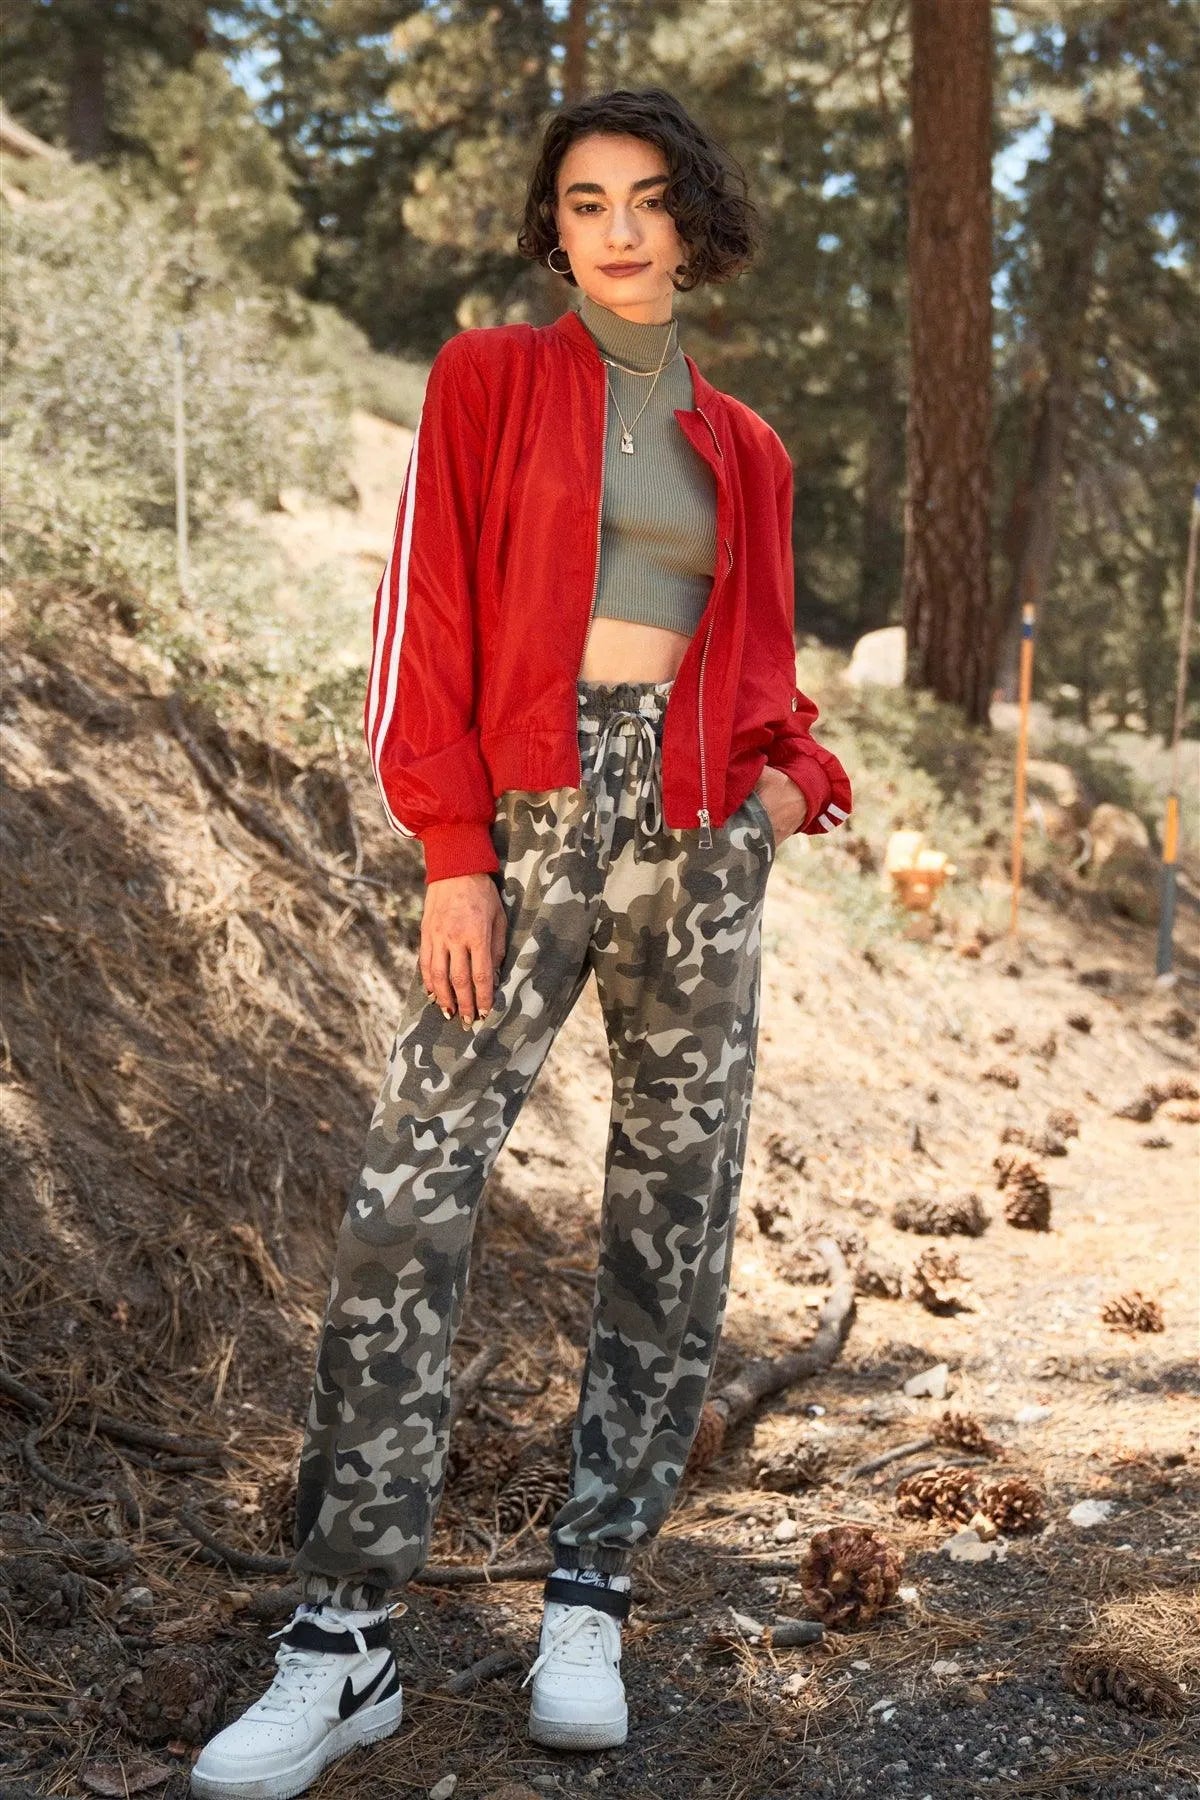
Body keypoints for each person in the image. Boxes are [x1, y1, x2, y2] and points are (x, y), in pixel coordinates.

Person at [191, 84, 852, 1800]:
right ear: (552, 231)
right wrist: (453, 853)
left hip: (700, 843)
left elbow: (766, 672)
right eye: (584, 202)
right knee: (409, 1199)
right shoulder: (488, 379)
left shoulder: (749, 447)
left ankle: (591, 1599)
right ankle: (344, 1637)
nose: (618, 229)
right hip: (527, 810)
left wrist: (788, 792)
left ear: (696, 221)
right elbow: (426, 616)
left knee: (673, 1214)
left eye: (647, 198)